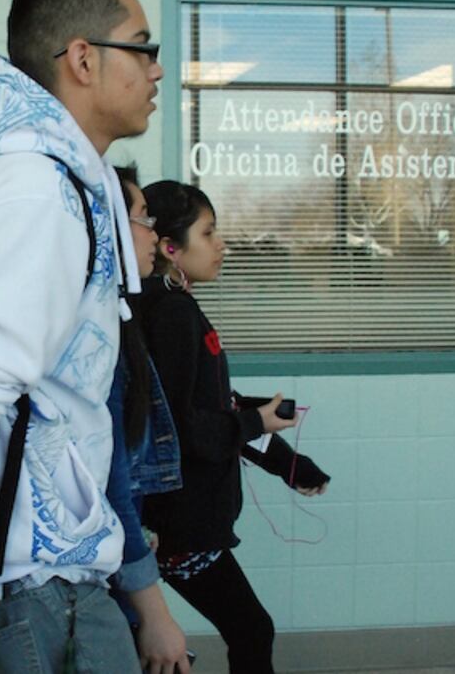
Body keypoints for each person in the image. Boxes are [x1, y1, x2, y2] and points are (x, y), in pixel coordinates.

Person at [0, 0, 182, 674]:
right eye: (144, 48)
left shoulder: (70, 180)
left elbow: (79, 402)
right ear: (84, 60)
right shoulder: (33, 192)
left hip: (57, 568)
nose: (158, 71)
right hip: (21, 584)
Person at [136, 180, 330, 674]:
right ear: (170, 248)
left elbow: (214, 406)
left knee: (168, 643)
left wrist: (288, 463)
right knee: (250, 628)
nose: (221, 244)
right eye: (209, 232)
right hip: (180, 526)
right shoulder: (172, 313)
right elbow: (180, 427)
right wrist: (252, 420)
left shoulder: (171, 307)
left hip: (179, 522)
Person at [104, 165, 188, 667]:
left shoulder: (123, 312)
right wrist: (153, 609)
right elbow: (111, 476)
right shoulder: (103, 328)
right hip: (112, 560)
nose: (154, 232)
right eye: (140, 216)